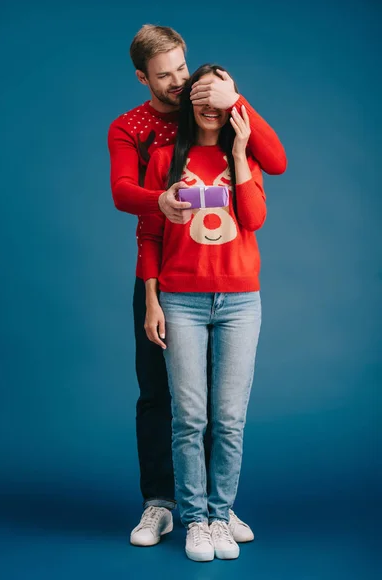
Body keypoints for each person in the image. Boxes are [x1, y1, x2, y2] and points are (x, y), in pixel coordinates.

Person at [107, 24, 286, 547]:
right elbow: (128, 199)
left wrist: (236, 100)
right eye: (166, 75)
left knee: (220, 405)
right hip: (164, 274)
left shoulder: (215, 108)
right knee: (162, 395)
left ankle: (213, 507)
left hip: (227, 283)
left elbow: (271, 165)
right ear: (144, 78)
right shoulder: (132, 129)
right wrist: (151, 292)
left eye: (183, 68)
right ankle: (162, 503)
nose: (181, 82)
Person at [141, 63, 266, 562]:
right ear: (190, 104)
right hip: (181, 300)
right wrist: (152, 299)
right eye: (201, 96)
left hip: (240, 300)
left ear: (230, 102)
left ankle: (220, 516)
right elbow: (149, 235)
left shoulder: (247, 156)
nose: (210, 106)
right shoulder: (166, 159)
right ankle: (194, 519)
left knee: (230, 418)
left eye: (219, 97)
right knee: (189, 417)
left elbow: (253, 218)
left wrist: (238, 154)